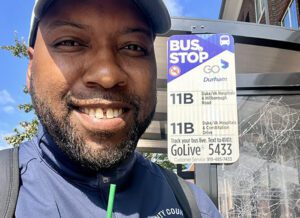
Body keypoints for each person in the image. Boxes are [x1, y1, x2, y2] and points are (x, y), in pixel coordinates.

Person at [15, 0, 222, 217]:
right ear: (31, 69)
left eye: (133, 47)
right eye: (70, 42)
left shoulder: (196, 207)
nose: (107, 76)